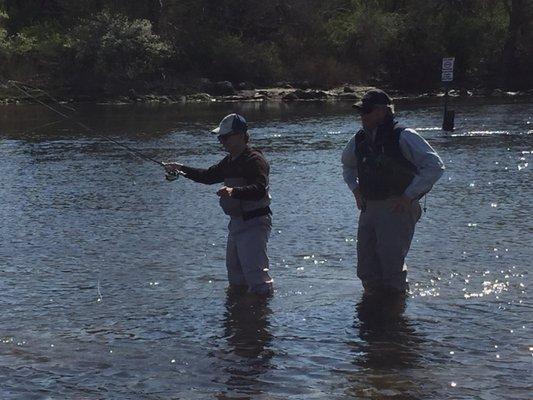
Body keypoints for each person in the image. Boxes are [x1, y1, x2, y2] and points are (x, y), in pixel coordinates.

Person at [341, 89, 444, 296]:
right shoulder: (359, 139)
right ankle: (373, 312)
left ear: (382, 112)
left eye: (367, 111)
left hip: (397, 206)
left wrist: (408, 196)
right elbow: (347, 166)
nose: (362, 116)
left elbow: (435, 165)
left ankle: (395, 314)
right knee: (366, 267)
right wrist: (356, 190)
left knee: (391, 266)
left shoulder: (404, 135)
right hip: (369, 207)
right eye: (361, 111)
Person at [164, 113, 273, 296]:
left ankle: (260, 315)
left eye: (225, 137)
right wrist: (180, 168)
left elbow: (259, 189)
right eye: (219, 137)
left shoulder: (254, 160)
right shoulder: (229, 160)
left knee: (256, 277)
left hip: (255, 222)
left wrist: (233, 191)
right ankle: (240, 313)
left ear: (240, 135)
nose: (221, 141)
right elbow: (207, 176)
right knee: (236, 276)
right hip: (237, 223)